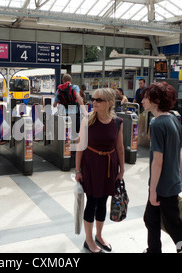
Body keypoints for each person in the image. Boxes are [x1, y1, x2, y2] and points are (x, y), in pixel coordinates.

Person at [141, 82, 182, 253]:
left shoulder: (157, 124)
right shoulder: (173, 119)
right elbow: (177, 151)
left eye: (146, 97)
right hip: (171, 180)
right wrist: (181, 174)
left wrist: (153, 190)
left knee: (173, 226)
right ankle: (153, 250)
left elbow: (157, 161)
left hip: (163, 186)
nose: (142, 101)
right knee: (151, 219)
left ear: (155, 100)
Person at [75, 88, 125, 253]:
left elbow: (119, 147)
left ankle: (99, 235)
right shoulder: (87, 121)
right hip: (91, 165)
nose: (93, 102)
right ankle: (88, 240)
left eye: (98, 100)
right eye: (93, 99)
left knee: (103, 202)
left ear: (109, 103)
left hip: (110, 166)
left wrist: (122, 169)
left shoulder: (117, 122)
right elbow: (80, 147)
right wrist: (77, 170)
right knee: (92, 202)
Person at [54, 74, 84, 139]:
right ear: (71, 80)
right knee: (75, 127)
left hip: (64, 111)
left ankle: (66, 143)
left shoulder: (59, 90)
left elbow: (54, 104)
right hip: (74, 109)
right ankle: (75, 143)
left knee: (67, 127)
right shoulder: (75, 87)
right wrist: (84, 109)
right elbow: (78, 97)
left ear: (63, 80)